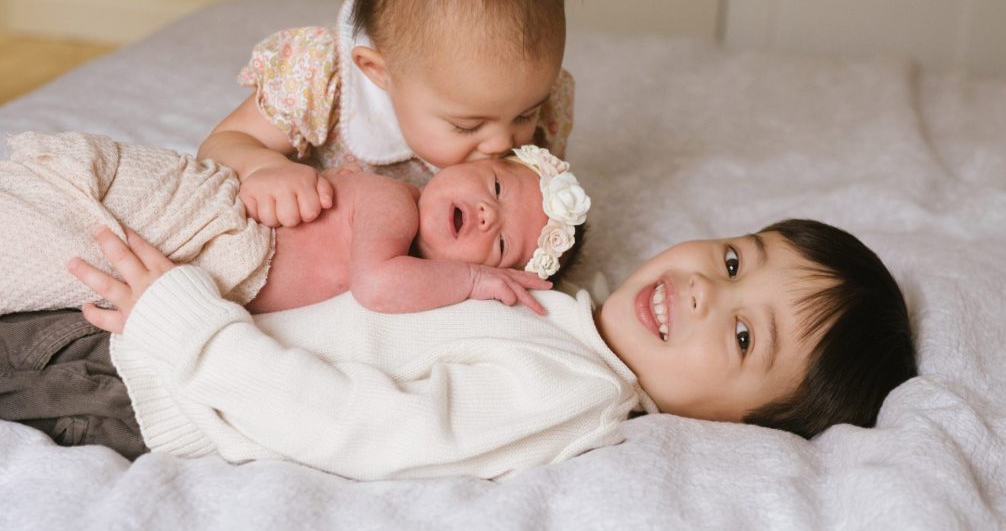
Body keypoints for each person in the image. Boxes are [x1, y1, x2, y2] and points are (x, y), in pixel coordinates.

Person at [0, 217, 916, 478]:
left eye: (745, 333)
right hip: (156, 332)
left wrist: (187, 328)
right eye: (731, 258)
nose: (706, 292)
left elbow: (364, 426)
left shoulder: (571, 391)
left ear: (742, 425)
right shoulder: (558, 312)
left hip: (154, 385)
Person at [198, 0, 580, 228]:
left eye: (524, 115)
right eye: (466, 125)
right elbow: (226, 141)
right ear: (378, 71)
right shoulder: (324, 80)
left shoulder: (535, 99)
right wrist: (264, 167)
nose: (502, 142)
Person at [0, 131, 589, 317]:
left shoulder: (424, 286)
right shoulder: (392, 201)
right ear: (463, 162)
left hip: (185, 271)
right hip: (185, 211)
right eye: (493, 187)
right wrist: (477, 282)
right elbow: (377, 285)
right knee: (36, 224)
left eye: (504, 241)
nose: (487, 215)